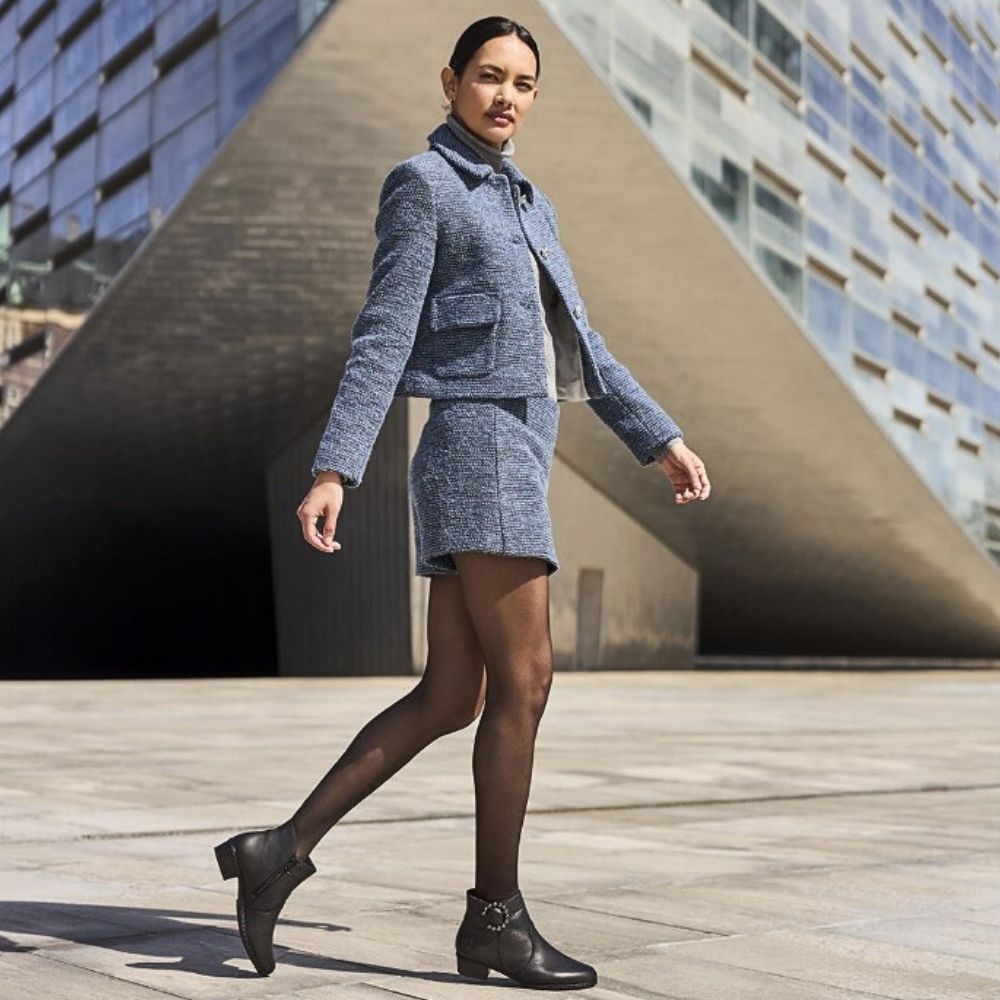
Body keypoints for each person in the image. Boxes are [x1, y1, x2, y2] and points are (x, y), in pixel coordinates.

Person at [214, 15, 711, 989]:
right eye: (488, 76)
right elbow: (385, 331)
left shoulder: (532, 201)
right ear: (449, 81)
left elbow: (586, 346)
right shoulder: (423, 183)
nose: (505, 95)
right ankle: (495, 919)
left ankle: (279, 852)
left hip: (519, 451)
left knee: (456, 694)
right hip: (476, 445)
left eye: (523, 82)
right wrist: (335, 467)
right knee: (525, 681)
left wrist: (661, 437)